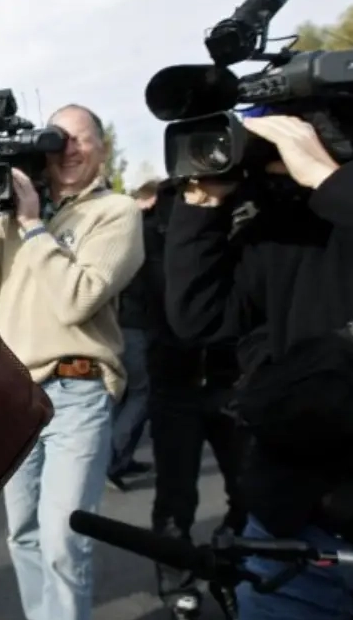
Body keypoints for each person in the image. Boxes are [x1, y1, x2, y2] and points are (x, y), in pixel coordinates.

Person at [163, 75, 353, 619]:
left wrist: (333, 180)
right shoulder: (294, 221)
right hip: (298, 538)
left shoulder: (342, 193)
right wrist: (203, 203)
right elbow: (201, 317)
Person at [0, 104, 144, 620]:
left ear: (103, 148)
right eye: (60, 140)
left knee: (63, 539)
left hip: (77, 391)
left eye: (81, 139)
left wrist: (34, 226)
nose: (70, 150)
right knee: (24, 534)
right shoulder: (12, 213)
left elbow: (79, 298)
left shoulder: (115, 213)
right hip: (17, 398)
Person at [138, 179, 248, 618]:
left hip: (235, 380)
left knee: (251, 492)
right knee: (175, 497)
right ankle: (178, 586)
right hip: (174, 380)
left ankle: (231, 563)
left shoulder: (249, 207)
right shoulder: (152, 222)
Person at [107, 179, 161, 491]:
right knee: (142, 393)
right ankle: (112, 459)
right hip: (137, 323)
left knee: (125, 393)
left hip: (120, 322)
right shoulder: (147, 232)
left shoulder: (122, 230)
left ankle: (120, 457)